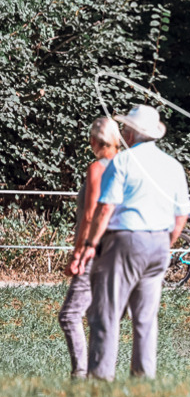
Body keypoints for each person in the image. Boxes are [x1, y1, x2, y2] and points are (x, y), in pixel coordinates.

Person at [75, 105, 190, 381]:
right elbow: (182, 213)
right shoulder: (172, 166)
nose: (124, 131)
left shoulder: (123, 162)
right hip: (160, 243)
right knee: (146, 317)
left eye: (127, 127)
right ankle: (143, 376)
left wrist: (91, 244)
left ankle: (101, 376)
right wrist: (168, 240)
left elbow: (106, 209)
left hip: (125, 240)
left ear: (135, 132)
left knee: (108, 311)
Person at [60, 117, 121, 379]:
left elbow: (90, 214)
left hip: (94, 248)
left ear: (96, 140)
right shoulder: (127, 166)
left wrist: (79, 252)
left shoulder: (98, 168)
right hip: (118, 248)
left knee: (70, 315)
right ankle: (100, 373)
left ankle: (81, 373)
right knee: (98, 314)